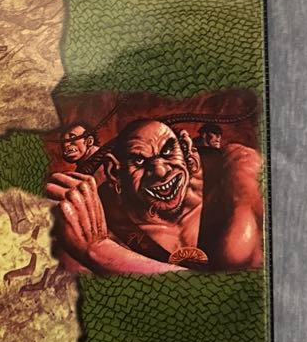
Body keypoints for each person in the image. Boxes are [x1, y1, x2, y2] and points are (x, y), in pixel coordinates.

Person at [45, 118, 263, 275]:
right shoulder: (96, 217)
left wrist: (100, 253)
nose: (160, 171)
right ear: (113, 171)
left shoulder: (237, 169)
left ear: (186, 148)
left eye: (168, 152)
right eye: (139, 161)